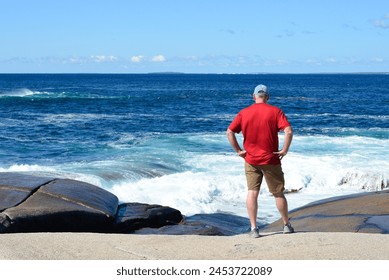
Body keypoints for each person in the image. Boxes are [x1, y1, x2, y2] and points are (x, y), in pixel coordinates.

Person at [226, 84, 294, 238]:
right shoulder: (275, 111)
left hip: (251, 160)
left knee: (252, 193)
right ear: (267, 97)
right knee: (278, 193)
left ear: (253, 96)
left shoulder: (244, 113)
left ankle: (254, 229)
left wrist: (238, 151)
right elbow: (288, 130)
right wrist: (284, 150)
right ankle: (286, 225)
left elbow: (229, 132)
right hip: (271, 159)